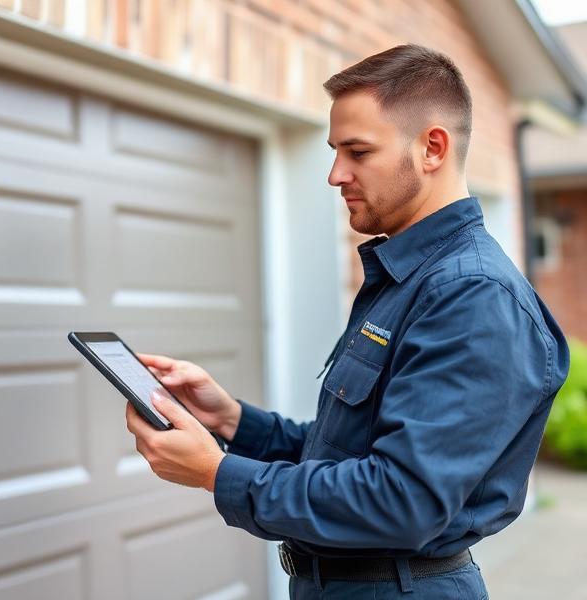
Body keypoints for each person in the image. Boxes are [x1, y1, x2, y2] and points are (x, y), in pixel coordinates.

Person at [125, 44, 569, 599]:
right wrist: (236, 421)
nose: (336, 175)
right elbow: (354, 453)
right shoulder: (411, 277)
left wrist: (217, 473)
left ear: (432, 147)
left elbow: (401, 501)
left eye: (357, 151)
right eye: (335, 151)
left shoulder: (471, 295)